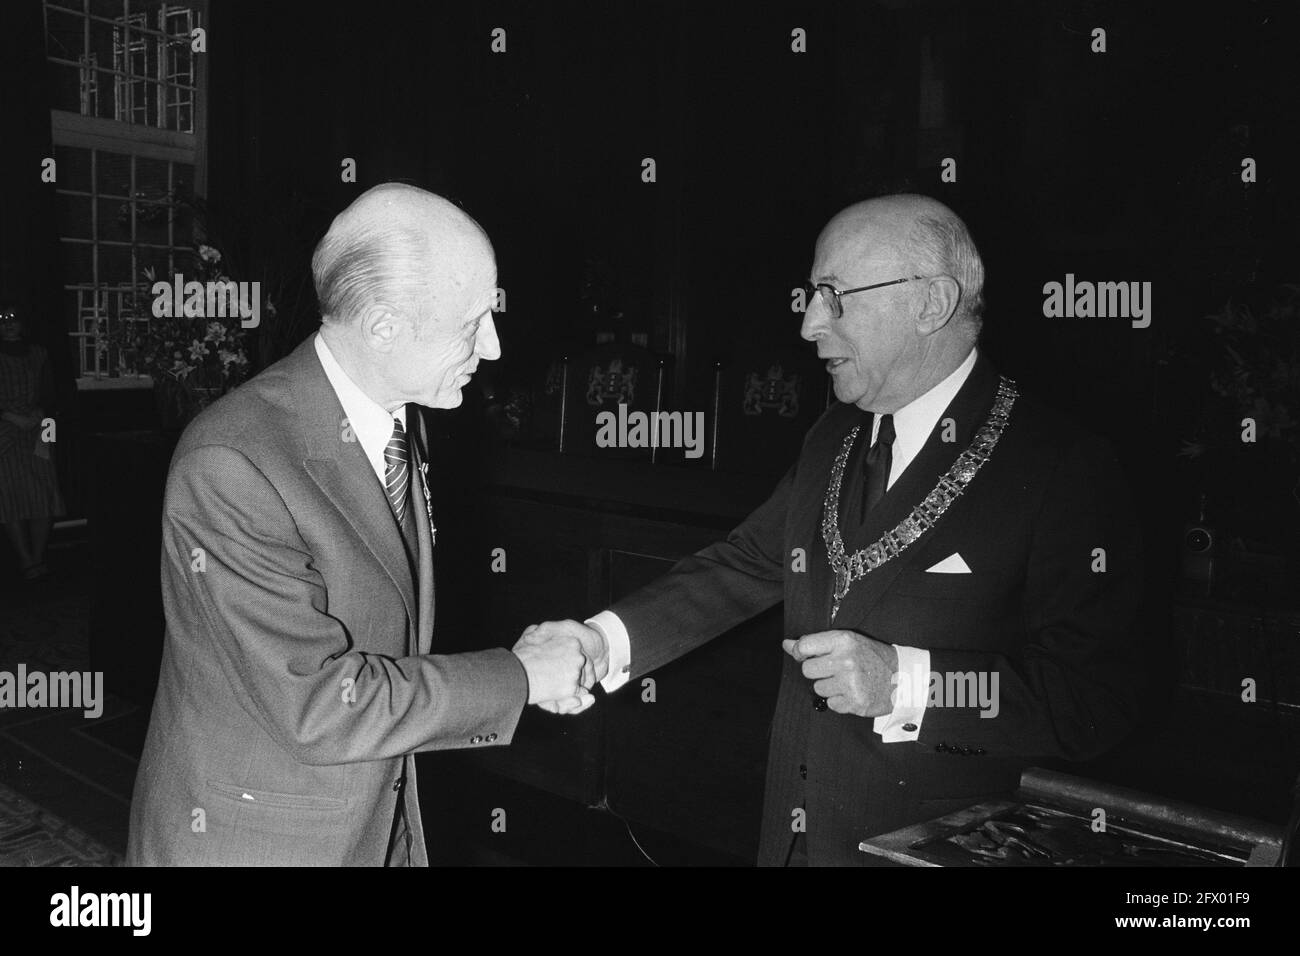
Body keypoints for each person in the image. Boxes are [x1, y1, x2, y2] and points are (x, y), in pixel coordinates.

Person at [524, 194, 1144, 866]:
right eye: (812, 295)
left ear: (931, 303)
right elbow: (743, 567)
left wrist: (907, 686)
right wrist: (601, 641)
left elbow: (1093, 700)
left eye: (834, 295)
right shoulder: (834, 436)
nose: (811, 324)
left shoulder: (1059, 464)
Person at [127, 184, 595, 866]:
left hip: (374, 821)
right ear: (382, 328)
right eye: (471, 324)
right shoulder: (232, 462)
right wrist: (519, 676)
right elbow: (316, 703)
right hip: (259, 842)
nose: (493, 348)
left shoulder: (402, 416)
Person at [0, 306, 65, 582]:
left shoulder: (40, 353)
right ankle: (25, 559)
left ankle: (39, 556)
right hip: (4, 425)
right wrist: (9, 415)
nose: (7, 324)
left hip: (42, 426)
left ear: (23, 322)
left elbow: (53, 392)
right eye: (1, 320)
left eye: (12, 318)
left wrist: (41, 414)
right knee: (10, 493)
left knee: (45, 490)